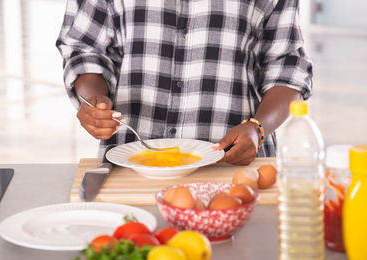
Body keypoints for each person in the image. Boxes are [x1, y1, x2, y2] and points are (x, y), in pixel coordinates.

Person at [56, 0, 312, 165]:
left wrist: (257, 128)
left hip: (232, 167)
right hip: (129, 163)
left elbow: (287, 64)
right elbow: (84, 48)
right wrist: (93, 102)